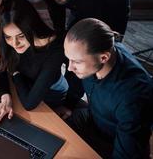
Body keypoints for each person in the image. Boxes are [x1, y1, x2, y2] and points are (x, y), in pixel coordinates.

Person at [0, 0, 84, 126]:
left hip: (53, 93)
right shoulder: (10, 41)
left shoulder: (54, 48)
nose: (14, 44)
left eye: (21, 36)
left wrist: (15, 74)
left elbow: (29, 104)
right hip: (28, 86)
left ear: (32, 27)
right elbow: (0, 67)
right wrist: (5, 96)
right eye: (8, 37)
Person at [63, 18, 153, 158]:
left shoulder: (132, 96)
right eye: (69, 59)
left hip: (117, 142)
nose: (69, 67)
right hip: (94, 120)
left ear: (104, 58)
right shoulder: (100, 52)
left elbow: (125, 154)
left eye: (77, 62)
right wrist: (68, 104)